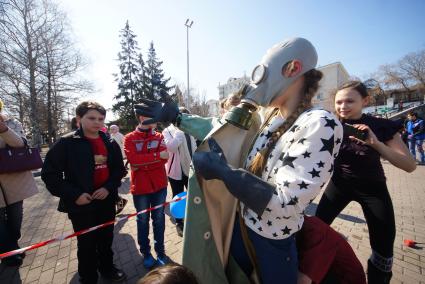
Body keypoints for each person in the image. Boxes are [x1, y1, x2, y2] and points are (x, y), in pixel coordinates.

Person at [134, 38, 346, 284]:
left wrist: (224, 172)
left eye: (262, 73)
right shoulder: (268, 117)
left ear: (292, 69)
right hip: (239, 227)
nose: (256, 82)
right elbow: (221, 129)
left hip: (272, 242)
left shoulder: (319, 123)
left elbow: (287, 203)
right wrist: (178, 118)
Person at [315, 81, 416, 283]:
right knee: (315, 230)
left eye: (350, 101)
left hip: (373, 189)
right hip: (338, 185)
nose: (343, 107)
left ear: (365, 101)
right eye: (339, 102)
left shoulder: (380, 125)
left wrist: (376, 144)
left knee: (384, 245)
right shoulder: (331, 125)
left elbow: (409, 165)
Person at [41, 101, 127, 283]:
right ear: (79, 119)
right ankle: (88, 277)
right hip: (81, 204)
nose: (97, 122)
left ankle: (107, 269)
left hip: (106, 200)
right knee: (86, 244)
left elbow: (119, 170)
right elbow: (50, 174)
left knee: (106, 240)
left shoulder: (109, 141)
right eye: (92, 118)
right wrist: (74, 195)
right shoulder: (67, 143)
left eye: (101, 119)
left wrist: (107, 188)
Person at [124, 110, 170, 269]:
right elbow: (133, 161)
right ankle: (146, 253)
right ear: (143, 118)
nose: (157, 120)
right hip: (140, 188)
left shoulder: (159, 136)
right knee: (142, 221)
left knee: (159, 220)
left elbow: (166, 158)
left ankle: (161, 251)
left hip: (160, 186)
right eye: (154, 117)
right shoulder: (129, 138)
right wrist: (157, 157)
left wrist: (142, 163)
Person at [0, 99, 38, 266]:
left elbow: (21, 144)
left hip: (13, 178)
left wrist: (4, 130)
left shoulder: (11, 122)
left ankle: (13, 244)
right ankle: (7, 252)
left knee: (16, 217)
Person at [163, 107, 197, 237]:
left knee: (192, 196)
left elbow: (195, 148)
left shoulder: (191, 130)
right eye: (183, 117)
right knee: (177, 196)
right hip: (176, 172)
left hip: (191, 170)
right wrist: (179, 132)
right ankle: (179, 222)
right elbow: (170, 147)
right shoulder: (168, 131)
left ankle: (191, 219)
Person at [109, 124, 128, 214]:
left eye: (114, 129)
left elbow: (124, 144)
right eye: (111, 129)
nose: (112, 130)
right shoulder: (110, 136)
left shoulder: (120, 135)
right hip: (114, 156)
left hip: (120, 154)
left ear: (117, 129)